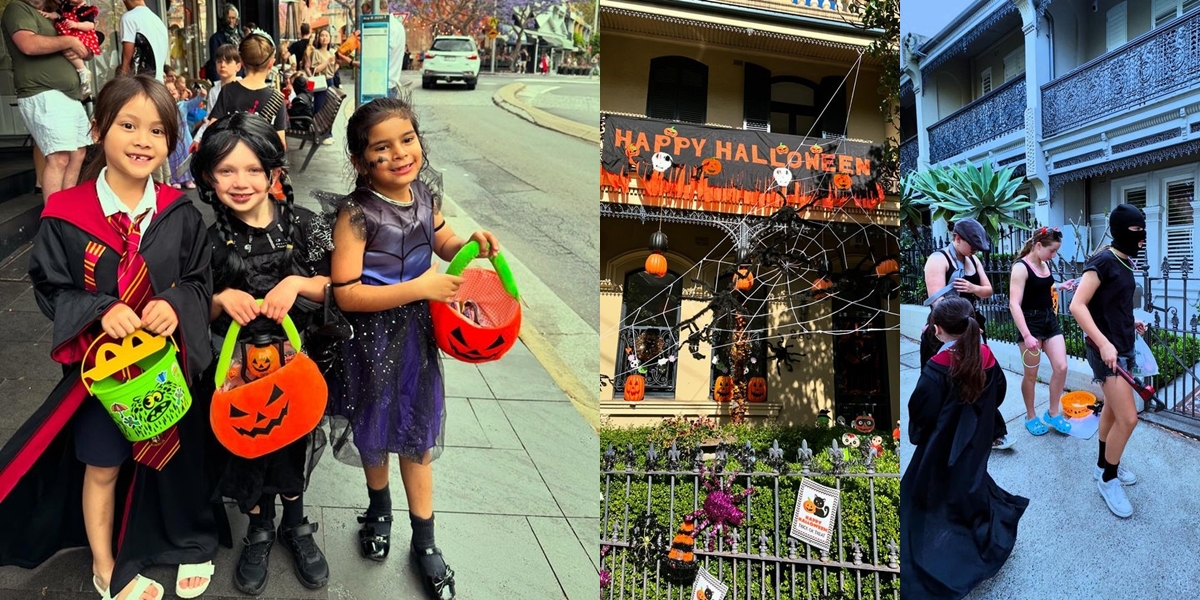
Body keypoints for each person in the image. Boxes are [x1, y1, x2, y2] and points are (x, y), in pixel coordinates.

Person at [0, 75, 219, 600]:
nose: (143, 140)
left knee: (175, 457)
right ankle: (106, 566)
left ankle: (187, 542)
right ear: (99, 129)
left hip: (168, 369)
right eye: (128, 125)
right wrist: (98, 310)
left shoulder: (179, 211)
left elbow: (198, 279)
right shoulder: (65, 215)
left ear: (171, 142)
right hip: (102, 379)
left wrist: (173, 303)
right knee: (101, 465)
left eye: (158, 131)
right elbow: (50, 287)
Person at [327, 98, 500, 600]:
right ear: (362, 161)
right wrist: (422, 289)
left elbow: (441, 238)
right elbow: (347, 293)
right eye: (382, 147)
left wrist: (471, 244)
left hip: (417, 340)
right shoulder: (357, 215)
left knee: (417, 433)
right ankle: (378, 507)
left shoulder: (425, 193)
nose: (399, 153)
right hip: (370, 339)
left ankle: (424, 541)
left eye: (407, 139)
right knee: (376, 428)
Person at [192, 112, 333, 595]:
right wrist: (217, 300)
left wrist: (297, 282)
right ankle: (260, 527)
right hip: (237, 371)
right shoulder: (209, 240)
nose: (241, 181)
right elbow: (190, 302)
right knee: (248, 446)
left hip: (296, 364)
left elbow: (338, 283)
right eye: (227, 170)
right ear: (209, 177)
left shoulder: (306, 225)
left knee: (293, 440)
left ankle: (295, 524)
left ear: (274, 172)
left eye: (253, 169)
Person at [901, 296, 1028, 600]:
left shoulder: (937, 367)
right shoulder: (985, 355)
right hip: (975, 440)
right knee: (968, 480)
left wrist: (924, 433)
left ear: (939, 330)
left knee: (933, 493)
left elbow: (921, 412)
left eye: (934, 326)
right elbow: (998, 394)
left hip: (941, 446)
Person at [1069, 204, 1148, 518]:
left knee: (1115, 413)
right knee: (1129, 418)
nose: (1141, 236)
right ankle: (1107, 478)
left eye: (1143, 230)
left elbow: (1113, 304)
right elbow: (1077, 305)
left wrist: (1133, 322)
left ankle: (1103, 463)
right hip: (1106, 352)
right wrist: (1103, 343)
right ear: (1120, 229)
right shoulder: (1102, 260)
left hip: (1123, 346)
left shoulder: (1125, 261)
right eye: (1135, 230)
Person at [919, 217, 1011, 450]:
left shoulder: (973, 260)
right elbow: (938, 303)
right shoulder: (938, 260)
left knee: (980, 380)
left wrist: (972, 289)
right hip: (945, 331)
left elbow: (988, 290)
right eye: (972, 244)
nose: (975, 250)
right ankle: (944, 436)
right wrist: (960, 330)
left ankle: (991, 431)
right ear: (957, 238)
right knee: (944, 387)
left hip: (972, 326)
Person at [2, 0, 92, 202]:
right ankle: (54, 217)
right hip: (42, 92)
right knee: (58, 157)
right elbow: (28, 44)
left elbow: (87, 51)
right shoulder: (18, 8)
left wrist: (78, 46)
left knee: (78, 153)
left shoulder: (60, 11)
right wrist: (69, 42)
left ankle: (67, 210)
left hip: (70, 95)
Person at [1008, 226, 1071, 436]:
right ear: (1038, 245)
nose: (1053, 255)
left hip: (1048, 320)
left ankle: (1053, 413)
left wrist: (1061, 286)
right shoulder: (1021, 268)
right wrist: (1026, 335)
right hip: (1030, 323)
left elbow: (1043, 288)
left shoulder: (1044, 264)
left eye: (1055, 251)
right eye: (1052, 250)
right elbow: (1014, 304)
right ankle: (1030, 416)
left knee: (1061, 367)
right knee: (1031, 375)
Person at [206, 31, 287, 148]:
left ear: (242, 62)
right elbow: (281, 144)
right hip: (261, 164)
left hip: (231, 160)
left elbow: (211, 130)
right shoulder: (277, 98)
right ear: (271, 64)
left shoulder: (227, 91)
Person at [38, 0, 100, 96]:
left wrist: (77, 25)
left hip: (78, 33)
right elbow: (58, 14)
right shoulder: (65, 5)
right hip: (67, 32)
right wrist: (48, 14)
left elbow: (90, 24)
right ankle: (84, 86)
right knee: (68, 51)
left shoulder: (85, 9)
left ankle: (82, 70)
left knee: (71, 52)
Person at [118, 0, 169, 81]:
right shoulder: (159, 22)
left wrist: (121, 83)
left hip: (140, 85)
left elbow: (127, 61)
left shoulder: (129, 18)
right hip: (157, 85)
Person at [308, 29, 338, 145]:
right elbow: (315, 70)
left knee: (330, 108)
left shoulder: (332, 52)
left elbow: (335, 67)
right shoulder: (316, 52)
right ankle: (320, 134)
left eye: (326, 35)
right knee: (320, 108)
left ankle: (328, 133)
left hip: (330, 81)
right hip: (321, 82)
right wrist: (327, 62)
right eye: (322, 36)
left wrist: (335, 64)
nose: (324, 38)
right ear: (318, 38)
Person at [205, 3, 241, 82]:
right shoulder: (215, 38)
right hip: (224, 79)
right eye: (229, 18)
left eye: (233, 18)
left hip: (240, 78)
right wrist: (218, 83)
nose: (231, 21)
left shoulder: (241, 36)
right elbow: (214, 63)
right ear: (224, 19)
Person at [209, 42, 242, 109]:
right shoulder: (214, 91)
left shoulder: (244, 87)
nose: (222, 65)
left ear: (238, 66)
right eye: (219, 61)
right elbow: (210, 115)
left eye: (228, 62)